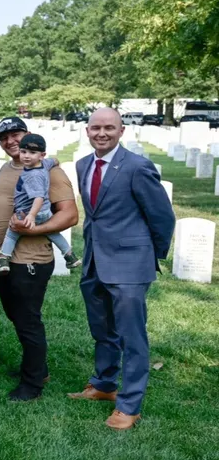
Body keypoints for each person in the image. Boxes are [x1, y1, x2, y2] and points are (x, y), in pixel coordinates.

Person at [68, 108, 175, 430]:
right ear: (87, 131)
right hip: (95, 261)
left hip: (130, 264)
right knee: (102, 330)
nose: (102, 133)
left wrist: (147, 256)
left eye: (109, 128)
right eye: (96, 128)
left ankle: (130, 405)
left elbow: (162, 216)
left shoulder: (137, 166)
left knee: (132, 337)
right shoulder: (83, 165)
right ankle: (104, 385)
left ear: (121, 131)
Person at [0, 116, 78, 402]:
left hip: (30, 260)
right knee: (17, 316)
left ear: (28, 136)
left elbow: (69, 214)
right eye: (3, 138)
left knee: (28, 320)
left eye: (15, 134)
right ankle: (37, 368)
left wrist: (34, 228)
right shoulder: (6, 169)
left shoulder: (51, 171)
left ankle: (32, 385)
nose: (10, 141)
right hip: (2, 258)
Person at [0, 133, 79, 276]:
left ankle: (3, 259)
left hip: (29, 211)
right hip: (46, 212)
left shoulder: (32, 175)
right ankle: (69, 255)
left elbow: (39, 197)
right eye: (23, 152)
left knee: (12, 232)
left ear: (41, 155)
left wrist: (32, 216)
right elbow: (53, 161)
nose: (27, 156)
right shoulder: (44, 164)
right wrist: (56, 160)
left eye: (32, 153)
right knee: (53, 233)